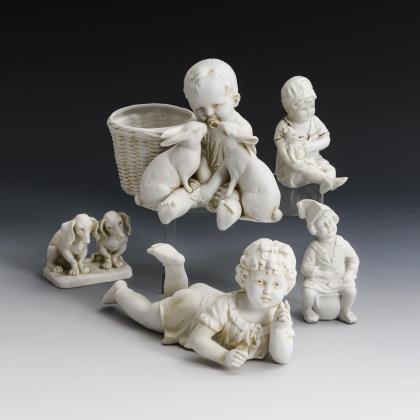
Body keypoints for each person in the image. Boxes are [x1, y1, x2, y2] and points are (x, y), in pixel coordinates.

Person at [102, 239, 297, 367]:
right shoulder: (227, 307)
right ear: (245, 279)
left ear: (287, 286)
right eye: (260, 282)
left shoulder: (279, 314)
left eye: (277, 284)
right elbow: (198, 339)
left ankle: (175, 266)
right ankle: (121, 291)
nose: (268, 291)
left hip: (201, 299)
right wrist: (223, 356)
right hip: (193, 309)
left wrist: (279, 329)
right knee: (147, 314)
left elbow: (282, 357)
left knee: (174, 298)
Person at [157, 58, 253, 230]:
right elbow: (191, 152)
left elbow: (232, 163)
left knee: (235, 195)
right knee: (189, 192)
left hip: (232, 180)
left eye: (217, 106)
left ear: (235, 100)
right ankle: (173, 206)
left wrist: (211, 187)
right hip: (200, 180)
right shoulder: (196, 124)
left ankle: (229, 211)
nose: (208, 114)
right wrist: (203, 182)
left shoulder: (241, 129)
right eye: (199, 108)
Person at [274, 76, 348, 194]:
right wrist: (293, 163)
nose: (309, 112)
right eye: (304, 109)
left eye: (312, 106)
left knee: (331, 169)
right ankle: (328, 181)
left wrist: (311, 146)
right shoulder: (283, 126)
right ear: (289, 109)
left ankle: (327, 183)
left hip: (314, 160)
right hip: (293, 167)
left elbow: (326, 139)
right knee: (305, 171)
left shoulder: (315, 121)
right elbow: (282, 151)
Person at [297, 199, 360, 323]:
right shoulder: (313, 248)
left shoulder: (343, 243)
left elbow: (353, 259)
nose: (329, 226)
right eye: (324, 225)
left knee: (351, 291)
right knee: (308, 291)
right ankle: (307, 310)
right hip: (318, 281)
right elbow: (305, 268)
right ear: (314, 229)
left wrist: (350, 273)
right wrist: (320, 273)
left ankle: (345, 311)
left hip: (339, 279)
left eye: (330, 222)